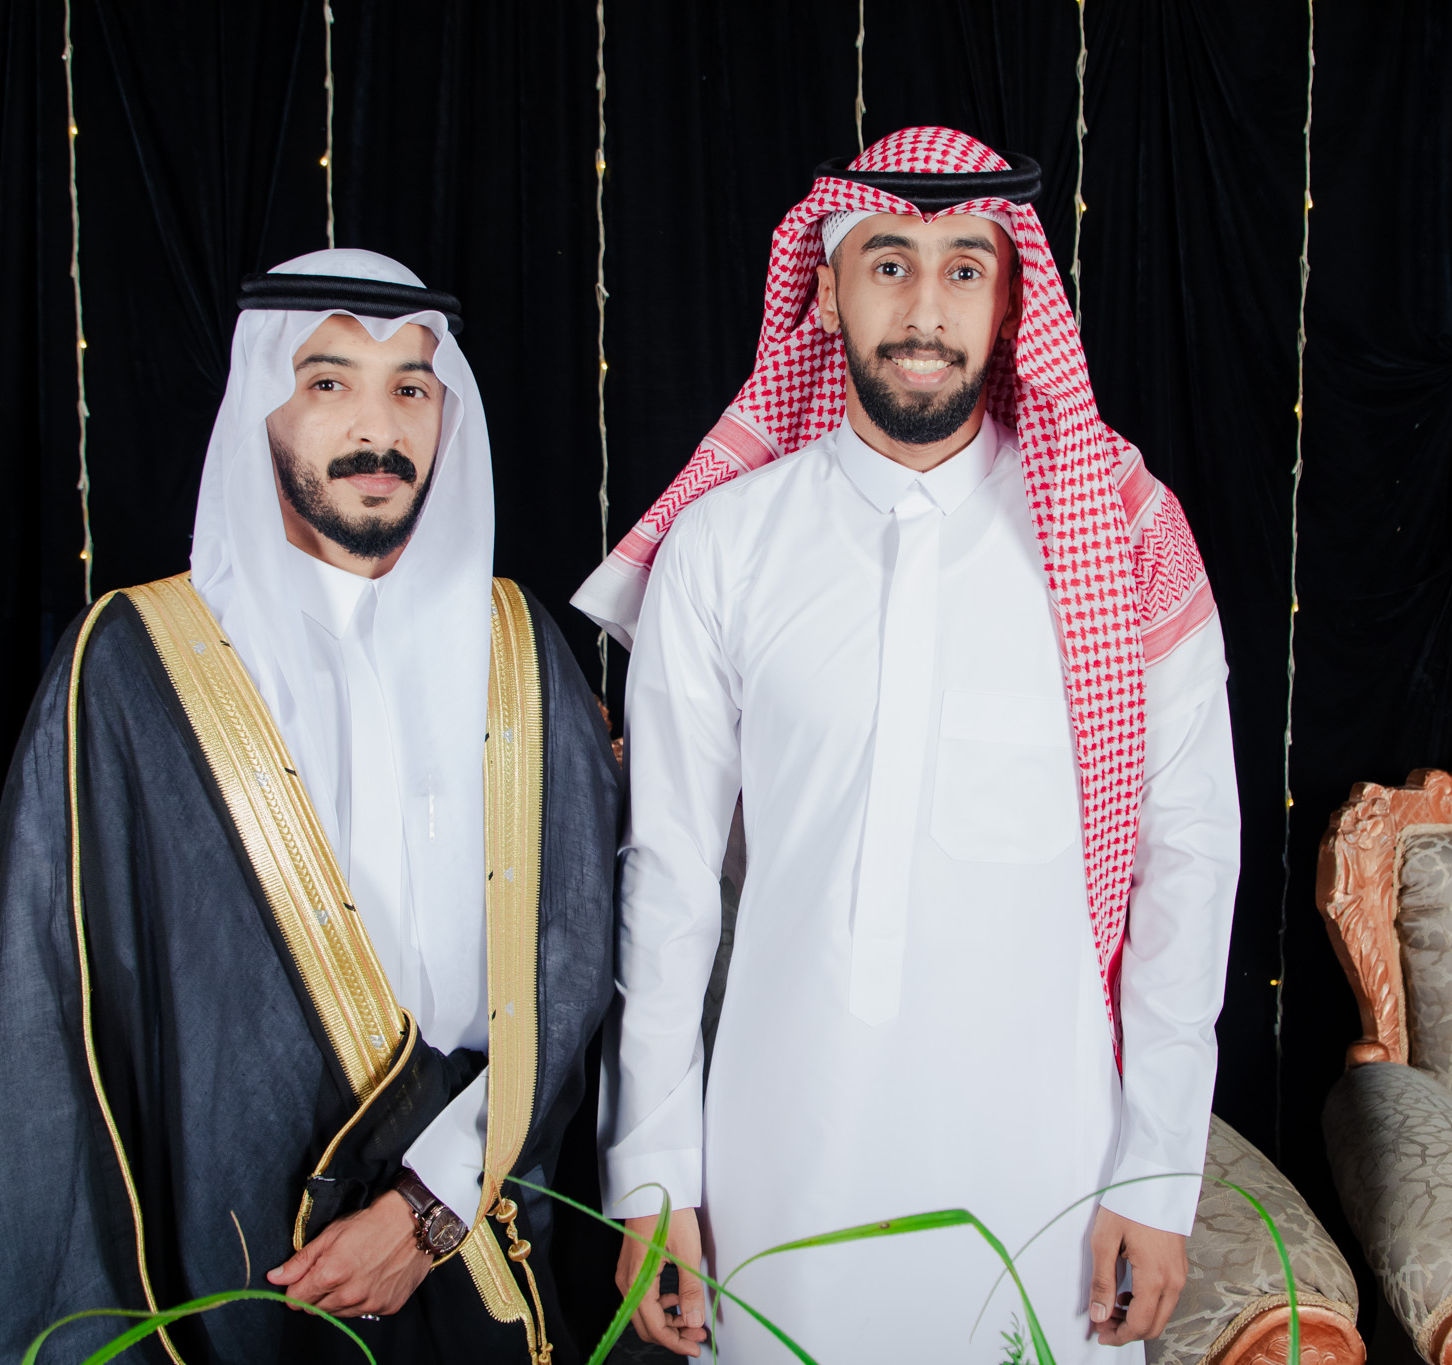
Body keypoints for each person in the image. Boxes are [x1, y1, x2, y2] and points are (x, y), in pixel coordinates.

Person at [575, 128, 1238, 1361]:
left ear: (1011, 300)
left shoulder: (1123, 537)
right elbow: (665, 884)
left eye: (962, 270)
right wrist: (655, 1177)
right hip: (781, 1155)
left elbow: (1186, 865)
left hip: (1050, 1162)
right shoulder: (724, 547)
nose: (924, 310)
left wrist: (1155, 1177)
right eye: (887, 264)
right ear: (826, 293)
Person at [0, 249, 618, 1365]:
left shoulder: (517, 648)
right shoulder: (132, 668)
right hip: (225, 1259)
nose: (378, 427)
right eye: (328, 382)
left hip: (479, 1227)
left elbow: (571, 962)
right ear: (263, 407)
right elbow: (56, 1020)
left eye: (410, 387)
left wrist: (429, 1205)